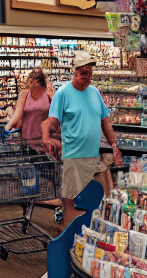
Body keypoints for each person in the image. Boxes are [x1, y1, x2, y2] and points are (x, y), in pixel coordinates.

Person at [42, 51, 123, 226]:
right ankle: (68, 240)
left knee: (97, 201)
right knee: (71, 205)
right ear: (75, 71)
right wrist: (47, 137)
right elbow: (51, 121)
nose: (87, 78)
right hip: (73, 157)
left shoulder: (94, 92)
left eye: (90, 73)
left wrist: (114, 145)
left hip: (94, 157)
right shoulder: (63, 93)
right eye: (84, 73)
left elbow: (105, 120)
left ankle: (86, 238)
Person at [4, 67, 54, 150]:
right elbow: (18, 114)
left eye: (35, 84)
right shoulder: (25, 94)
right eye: (30, 83)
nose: (32, 86)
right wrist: (7, 128)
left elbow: (55, 113)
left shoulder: (48, 95)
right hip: (28, 139)